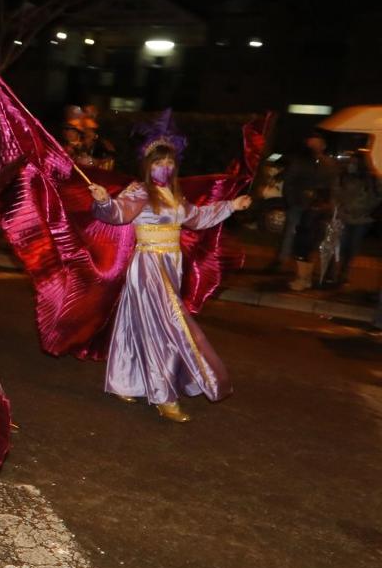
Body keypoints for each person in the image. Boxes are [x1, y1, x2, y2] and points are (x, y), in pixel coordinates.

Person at [88, 136, 251, 422]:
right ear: (148, 166)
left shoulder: (175, 194)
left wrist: (231, 206)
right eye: (158, 162)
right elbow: (118, 213)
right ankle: (164, 396)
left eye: (169, 162)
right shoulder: (139, 191)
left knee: (137, 323)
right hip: (149, 264)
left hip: (171, 265)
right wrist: (104, 202)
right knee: (167, 325)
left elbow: (197, 218)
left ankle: (125, 381)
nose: (164, 167)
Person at [273, 133, 338, 278]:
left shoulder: (329, 163)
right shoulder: (300, 162)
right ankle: (282, 261)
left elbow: (333, 184)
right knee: (291, 232)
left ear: (323, 145)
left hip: (319, 206)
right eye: (311, 143)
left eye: (317, 143)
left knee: (322, 236)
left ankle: (325, 269)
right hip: (300, 204)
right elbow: (290, 182)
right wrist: (292, 200)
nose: (314, 146)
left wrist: (329, 202)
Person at [328, 150, 381, 287]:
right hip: (345, 217)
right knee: (339, 246)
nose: (351, 164)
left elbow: (377, 198)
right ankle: (332, 272)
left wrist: (364, 210)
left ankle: (343, 273)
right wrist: (339, 209)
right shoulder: (342, 176)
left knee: (352, 248)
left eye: (354, 161)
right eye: (351, 161)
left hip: (362, 219)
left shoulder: (373, 179)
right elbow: (335, 194)